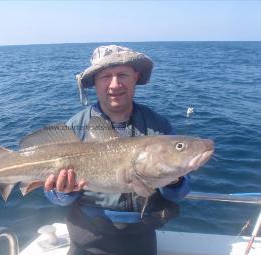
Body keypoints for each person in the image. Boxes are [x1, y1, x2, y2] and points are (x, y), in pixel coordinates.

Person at [43, 45, 190, 255]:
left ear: (135, 77)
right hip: (87, 235)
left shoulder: (159, 127)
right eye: (105, 76)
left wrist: (175, 180)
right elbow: (54, 197)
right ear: (94, 81)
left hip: (142, 235)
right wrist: (62, 192)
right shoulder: (75, 127)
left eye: (122, 75)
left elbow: (180, 193)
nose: (115, 84)